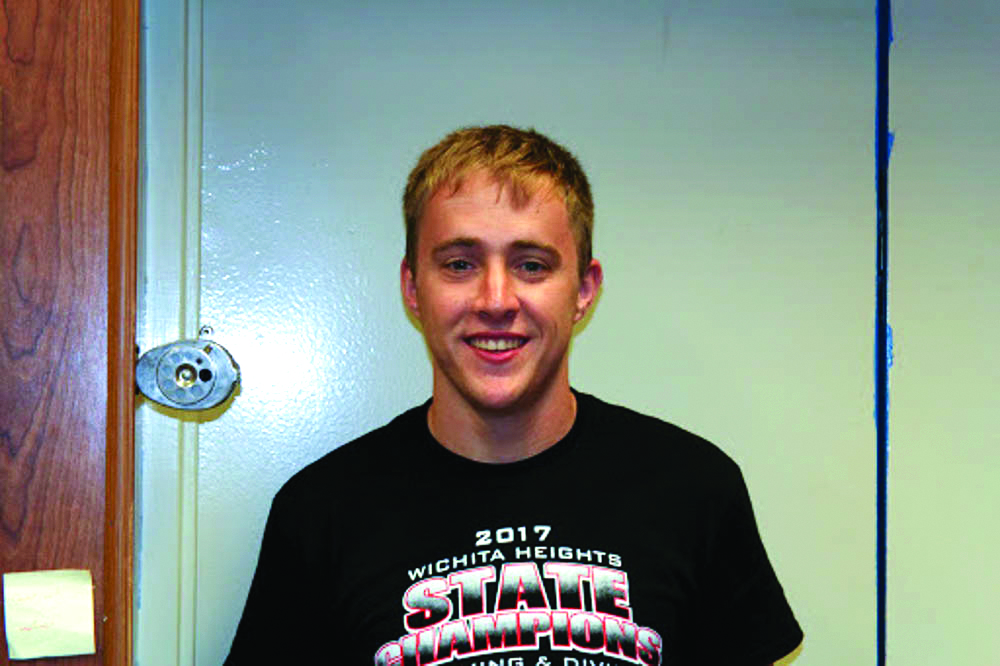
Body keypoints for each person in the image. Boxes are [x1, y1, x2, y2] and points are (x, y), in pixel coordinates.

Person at [225, 125, 803, 665]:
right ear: (412, 288)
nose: (496, 299)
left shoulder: (694, 488)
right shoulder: (322, 512)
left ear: (583, 289)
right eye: (459, 264)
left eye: (531, 265)